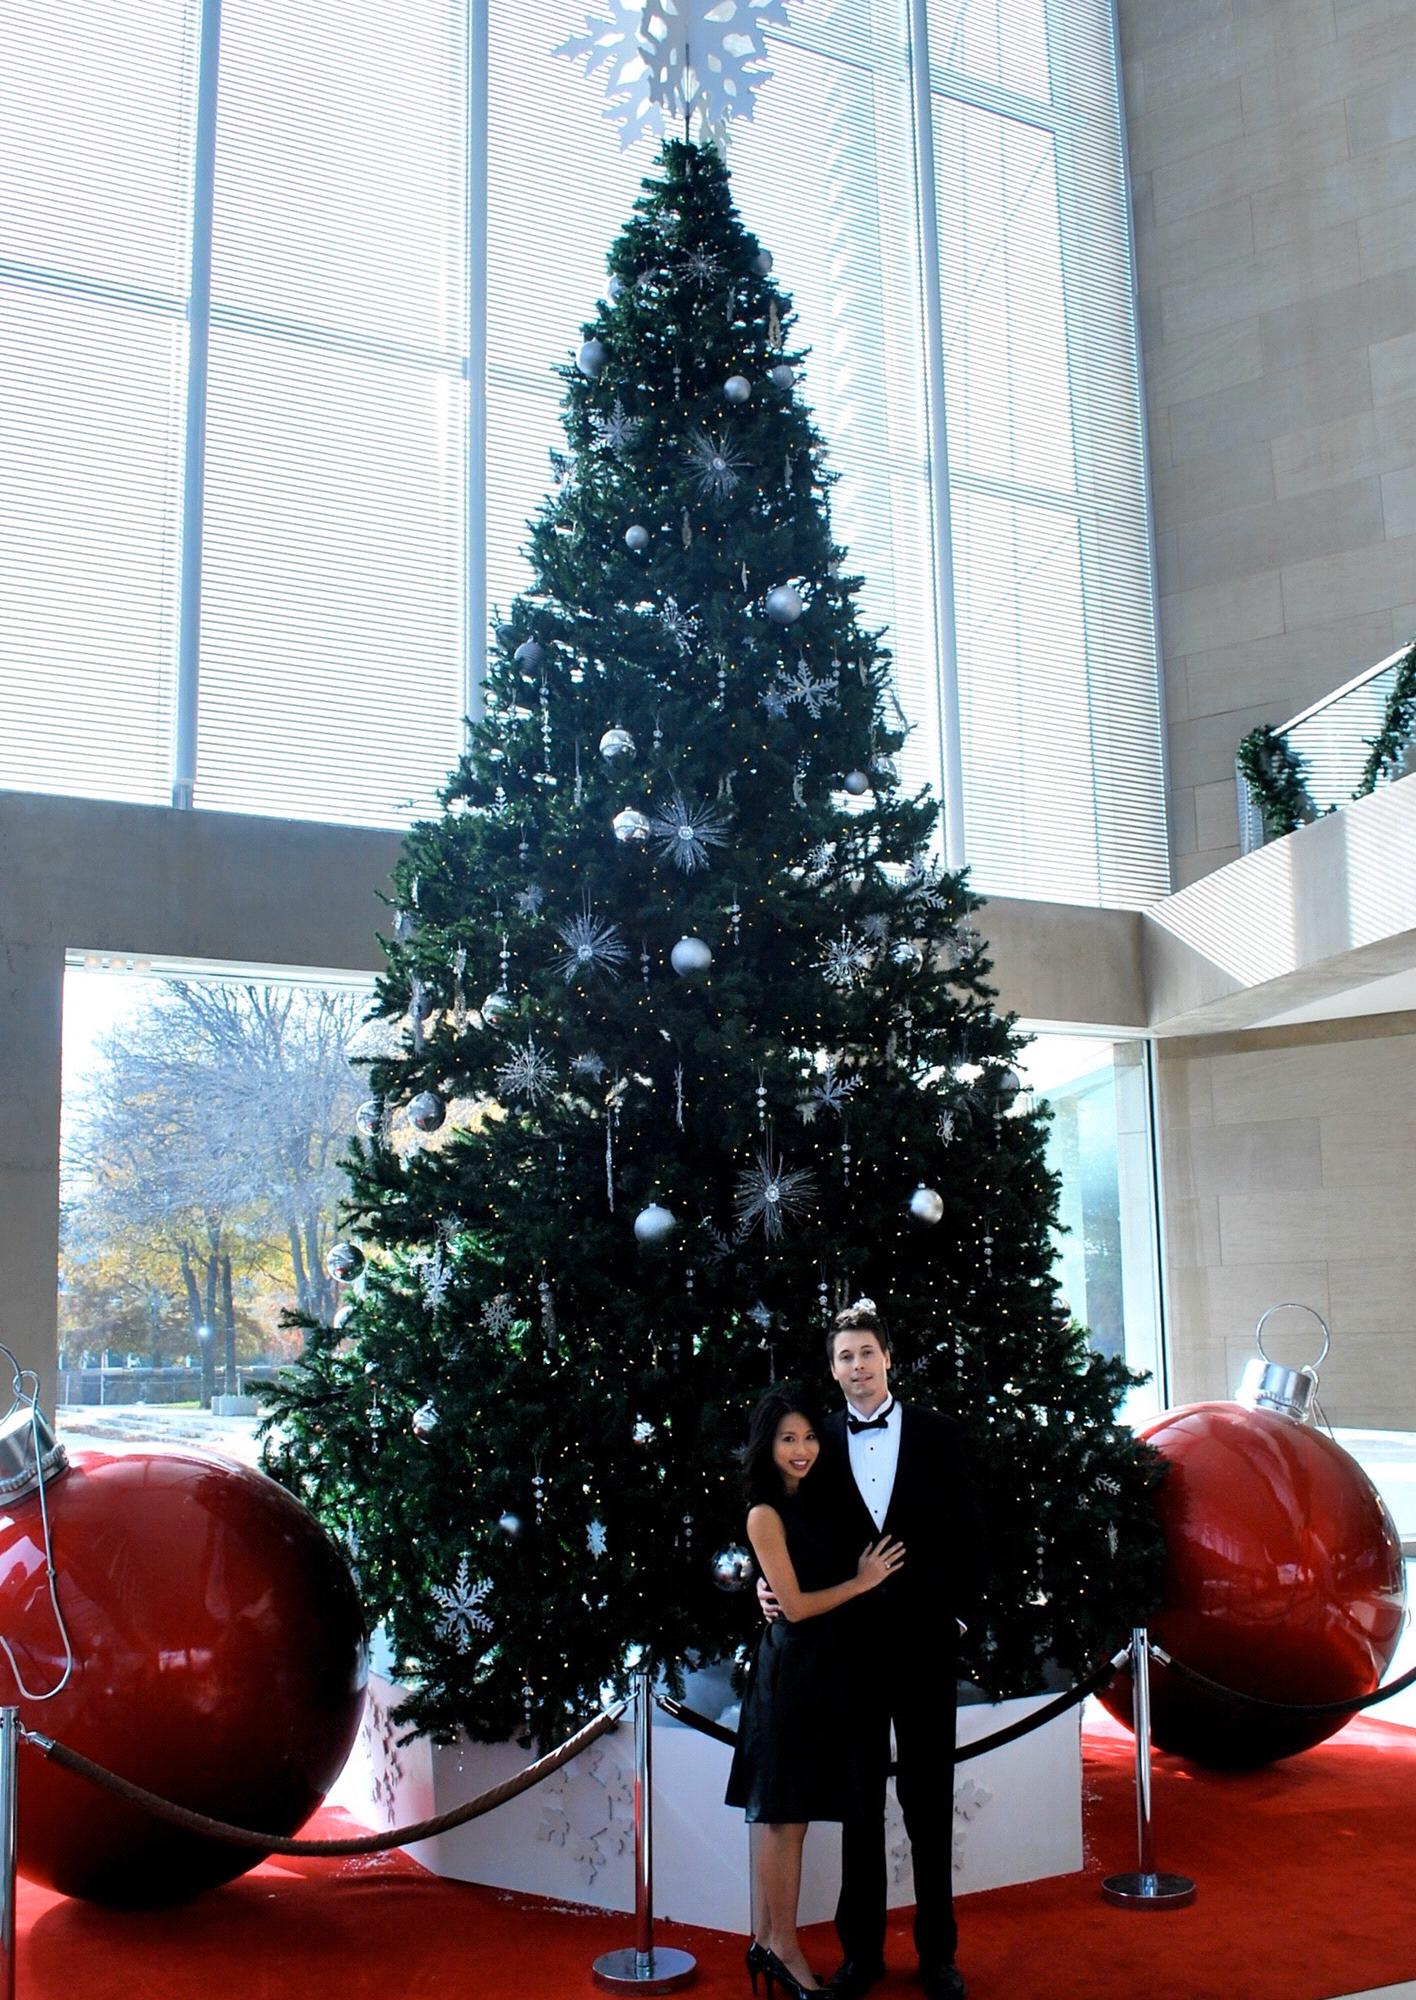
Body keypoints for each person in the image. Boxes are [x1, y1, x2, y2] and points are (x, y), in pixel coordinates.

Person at [760, 1301, 988, 2000]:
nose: (857, 1366)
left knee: (929, 1801)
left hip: (925, 1648)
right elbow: (784, 1526)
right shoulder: (818, 1441)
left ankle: (938, 1955)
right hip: (847, 1652)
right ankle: (860, 1955)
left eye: (866, 1353)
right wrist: (767, 1590)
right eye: (844, 1357)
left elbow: (972, 1531)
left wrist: (958, 1621)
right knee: (859, 1807)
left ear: (888, 1357)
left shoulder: (939, 1433)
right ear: (832, 1370)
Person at [726, 1387, 907, 2000]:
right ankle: (781, 1947)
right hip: (790, 1674)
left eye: (808, 1437)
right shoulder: (763, 1513)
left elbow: (793, 1590)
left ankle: (767, 1942)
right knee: (784, 1820)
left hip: (822, 1672)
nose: (801, 1449)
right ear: (767, 1446)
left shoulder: (815, 1499)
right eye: (787, 1439)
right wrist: (862, 1582)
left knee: (787, 1818)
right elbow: (798, 1607)